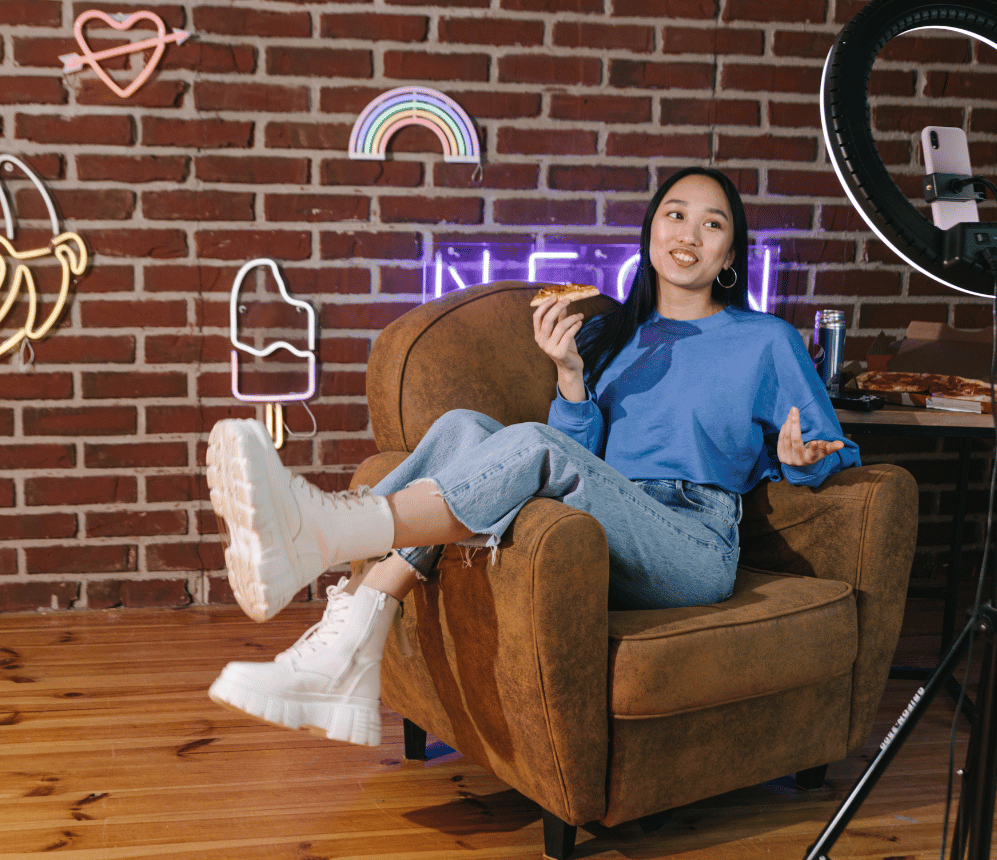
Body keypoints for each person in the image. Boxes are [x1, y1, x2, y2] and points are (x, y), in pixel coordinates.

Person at [206, 166, 860, 747]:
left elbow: (836, 450)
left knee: (527, 442)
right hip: (606, 530)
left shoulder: (765, 340)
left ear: (728, 257)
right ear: (652, 235)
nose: (690, 232)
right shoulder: (615, 338)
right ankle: (351, 636)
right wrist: (571, 377)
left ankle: (327, 542)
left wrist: (799, 457)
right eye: (675, 214)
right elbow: (572, 460)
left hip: (692, 546)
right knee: (462, 428)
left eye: (712, 223)